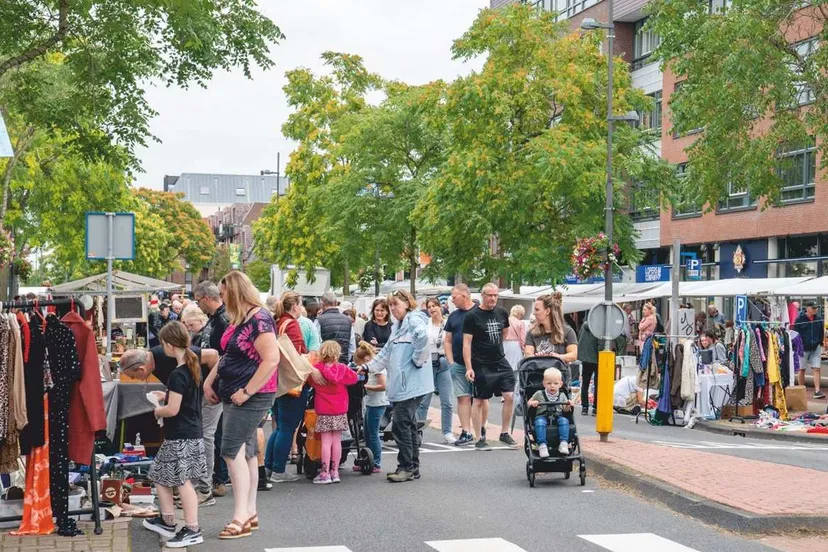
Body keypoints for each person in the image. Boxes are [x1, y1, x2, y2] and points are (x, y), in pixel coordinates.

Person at [203, 271, 279, 540]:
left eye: (223, 293)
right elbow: (227, 356)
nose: (221, 298)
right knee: (245, 453)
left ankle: (240, 516)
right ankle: (249, 512)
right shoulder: (241, 319)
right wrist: (210, 381)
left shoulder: (259, 319)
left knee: (230, 451)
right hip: (236, 392)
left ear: (233, 292)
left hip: (250, 394)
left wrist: (247, 391)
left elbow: (271, 359)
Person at [120, 345, 220, 507]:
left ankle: (204, 490)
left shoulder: (166, 355)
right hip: (193, 396)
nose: (135, 380)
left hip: (208, 395)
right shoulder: (156, 360)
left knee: (204, 436)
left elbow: (213, 356)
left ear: (141, 368)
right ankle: (188, 486)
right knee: (190, 437)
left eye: (133, 376)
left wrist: (209, 386)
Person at [142, 322, 206, 548]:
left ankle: (192, 528)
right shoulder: (192, 366)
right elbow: (184, 397)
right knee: (160, 474)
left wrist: (157, 409)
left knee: (182, 481)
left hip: (180, 434)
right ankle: (168, 520)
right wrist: (167, 394)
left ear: (168, 345)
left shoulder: (177, 373)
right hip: (189, 432)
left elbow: (172, 410)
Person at [361, 289, 432, 483]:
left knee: (401, 425)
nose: (392, 309)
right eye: (390, 305)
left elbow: (424, 338)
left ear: (407, 304)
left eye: (395, 305)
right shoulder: (398, 326)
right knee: (406, 425)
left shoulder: (413, 320)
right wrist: (368, 367)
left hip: (412, 385)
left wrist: (417, 361)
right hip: (406, 385)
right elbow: (386, 353)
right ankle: (412, 467)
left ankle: (406, 467)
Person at [463, 283, 518, 451]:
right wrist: (469, 367)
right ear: (483, 295)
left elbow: (504, 333)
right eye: (489, 295)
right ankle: (479, 437)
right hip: (480, 363)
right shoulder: (472, 316)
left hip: (500, 361)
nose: (493, 298)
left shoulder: (502, 313)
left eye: (495, 295)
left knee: (509, 396)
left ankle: (504, 432)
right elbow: (467, 343)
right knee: (479, 400)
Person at [264, 292, 308, 483]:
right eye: (300, 304)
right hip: (291, 382)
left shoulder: (277, 322)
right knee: (288, 426)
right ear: (295, 306)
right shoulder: (292, 324)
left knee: (280, 425)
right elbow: (297, 354)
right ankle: (279, 470)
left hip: (276, 380)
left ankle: (269, 466)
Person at [193, 280, 231, 497]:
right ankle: (212, 479)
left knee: (209, 435)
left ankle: (209, 482)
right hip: (210, 385)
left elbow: (225, 356)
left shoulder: (222, 320)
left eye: (199, 301)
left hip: (215, 387)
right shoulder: (215, 320)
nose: (199, 306)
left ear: (207, 298)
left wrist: (212, 383)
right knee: (210, 434)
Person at [307, 340, 358, 484]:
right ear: (337, 353)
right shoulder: (342, 368)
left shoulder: (317, 369)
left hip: (323, 410)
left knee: (325, 442)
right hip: (340, 409)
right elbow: (354, 379)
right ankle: (335, 472)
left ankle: (324, 472)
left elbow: (310, 382)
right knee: (337, 441)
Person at [416, 298, 455, 444]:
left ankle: (447, 431)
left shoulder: (447, 324)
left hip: (444, 361)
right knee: (424, 400)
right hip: (428, 362)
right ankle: (418, 430)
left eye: (434, 306)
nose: (432, 309)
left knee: (447, 401)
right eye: (429, 307)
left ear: (440, 307)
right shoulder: (426, 324)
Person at [443, 284, 477, 446]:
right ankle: (466, 431)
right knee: (463, 397)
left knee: (480, 399)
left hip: (479, 363)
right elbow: (447, 340)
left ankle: (480, 430)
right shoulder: (453, 316)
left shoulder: (479, 312)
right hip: (458, 363)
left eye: (454, 296)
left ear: (465, 295)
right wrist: (451, 362)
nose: (452, 299)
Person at [577, 320, 624, 416]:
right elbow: (601, 344)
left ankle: (584, 408)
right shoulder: (599, 328)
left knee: (585, 383)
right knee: (598, 384)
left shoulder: (584, 326)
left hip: (585, 358)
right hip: (597, 359)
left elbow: (579, 339)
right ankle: (595, 408)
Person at [527, 367, 574, 458]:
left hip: (558, 416)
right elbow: (529, 402)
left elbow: (565, 410)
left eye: (555, 383)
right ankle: (542, 445)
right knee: (539, 422)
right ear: (544, 384)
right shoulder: (539, 394)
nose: (552, 386)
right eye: (549, 383)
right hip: (542, 416)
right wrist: (533, 403)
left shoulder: (562, 395)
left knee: (564, 421)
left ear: (560, 384)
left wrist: (568, 405)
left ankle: (563, 443)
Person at [354, 342, 384, 474]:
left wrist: (366, 387)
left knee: (373, 434)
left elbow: (383, 386)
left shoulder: (378, 368)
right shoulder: (369, 367)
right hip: (370, 403)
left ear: (366, 359)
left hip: (377, 403)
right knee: (366, 433)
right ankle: (366, 459)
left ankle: (376, 462)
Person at [794, 300, 825, 399]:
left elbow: (821, 332)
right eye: (813, 308)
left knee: (817, 369)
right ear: (807, 308)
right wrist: (798, 346)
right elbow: (795, 333)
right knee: (802, 369)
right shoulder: (799, 319)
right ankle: (801, 389)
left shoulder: (819, 319)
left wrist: (820, 343)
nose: (815, 310)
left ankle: (817, 390)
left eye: (816, 308)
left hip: (815, 347)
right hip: (803, 348)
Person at [315, 292, 354, 363]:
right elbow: (352, 347)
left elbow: (316, 344)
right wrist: (345, 361)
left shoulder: (319, 320)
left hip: (325, 363)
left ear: (322, 304)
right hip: (343, 363)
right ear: (336, 303)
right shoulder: (348, 320)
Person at [503, 305, 526, 371]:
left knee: (505, 364)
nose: (521, 317)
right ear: (519, 314)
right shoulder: (520, 323)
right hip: (515, 346)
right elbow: (522, 339)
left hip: (504, 344)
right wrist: (523, 349)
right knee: (516, 366)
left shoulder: (504, 320)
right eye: (521, 314)